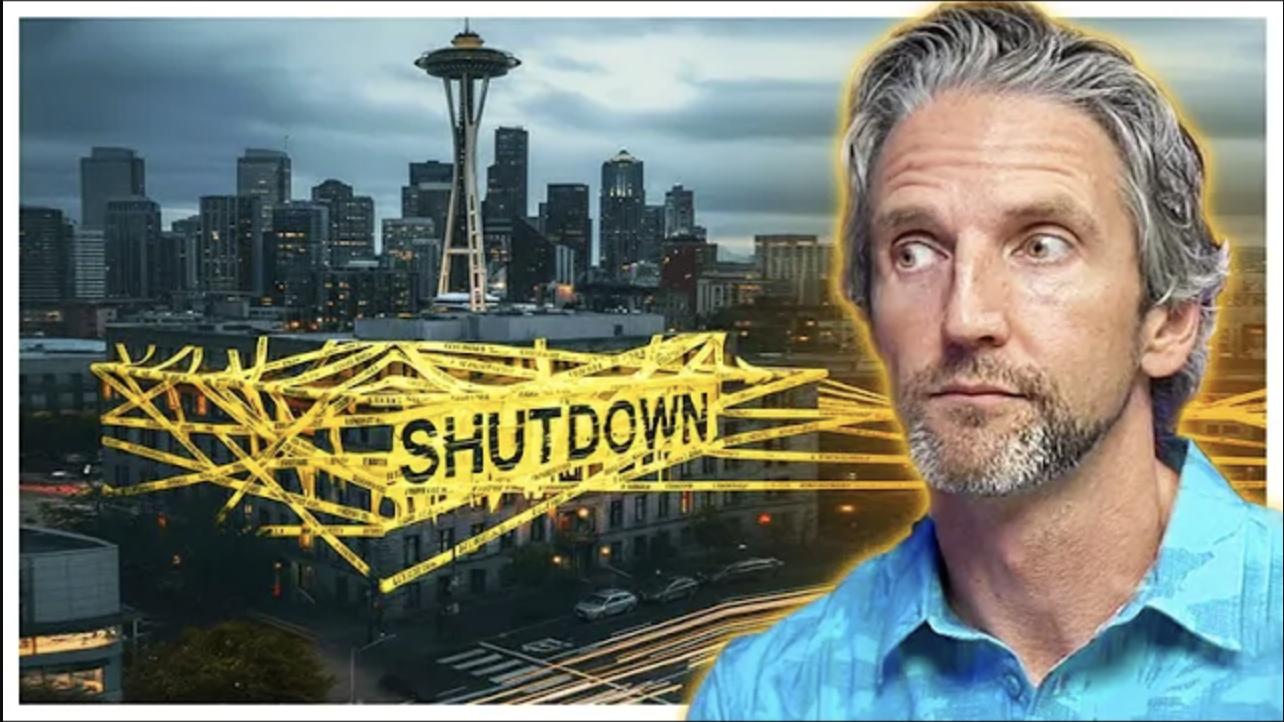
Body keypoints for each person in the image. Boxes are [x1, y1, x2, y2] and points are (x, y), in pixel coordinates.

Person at [686, 3, 1281, 720]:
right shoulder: (769, 696)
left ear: (1169, 321)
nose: (965, 317)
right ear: (868, 311)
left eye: (1042, 245)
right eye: (915, 252)